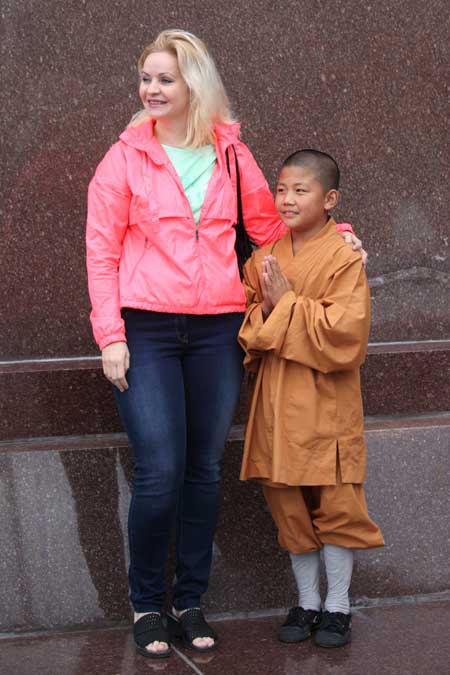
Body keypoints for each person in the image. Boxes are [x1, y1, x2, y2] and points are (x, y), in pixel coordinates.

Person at [86, 30, 363, 659]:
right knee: (160, 472)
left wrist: (338, 231)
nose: (151, 90)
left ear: (193, 86)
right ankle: (148, 604)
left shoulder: (231, 155)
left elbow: (271, 228)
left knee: (204, 471)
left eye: (165, 79)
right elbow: (100, 253)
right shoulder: (124, 159)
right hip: (146, 329)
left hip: (216, 328)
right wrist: (112, 336)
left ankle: (190, 600)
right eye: (146, 78)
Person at [238, 149, 384, 649]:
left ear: (330, 199)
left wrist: (284, 306)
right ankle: (307, 602)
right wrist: (273, 312)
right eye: (281, 189)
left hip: (327, 403)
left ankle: (339, 606)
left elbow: (347, 334)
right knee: (288, 505)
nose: (287, 199)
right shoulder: (264, 257)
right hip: (278, 402)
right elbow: (247, 326)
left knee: (337, 503)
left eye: (301, 190)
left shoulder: (345, 257)